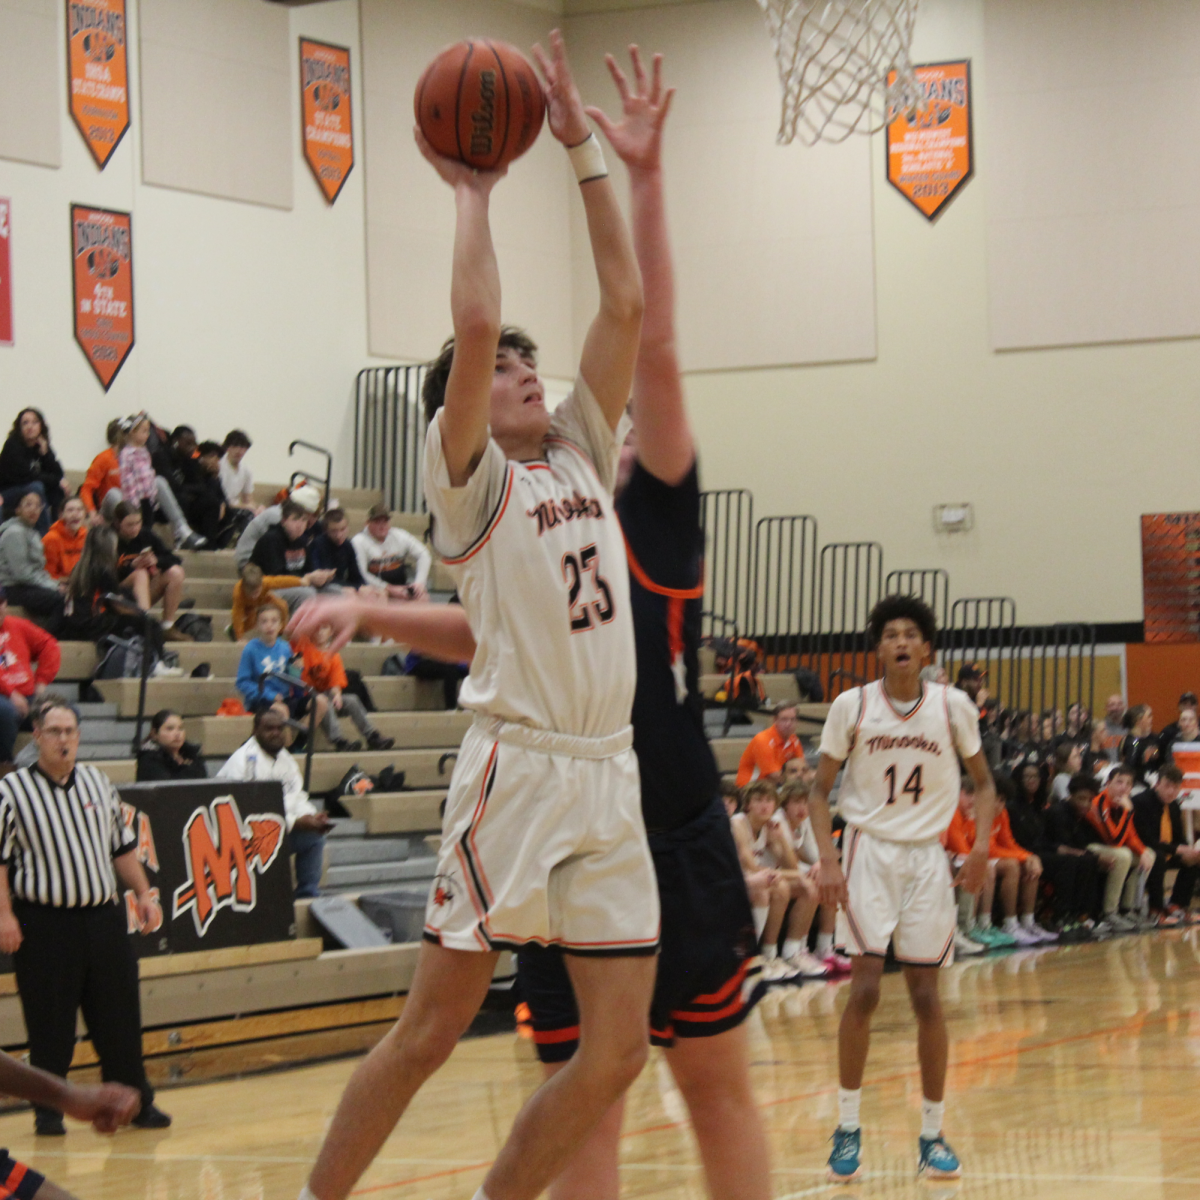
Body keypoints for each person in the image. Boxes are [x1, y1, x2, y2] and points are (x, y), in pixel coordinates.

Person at [290, 44, 774, 1200]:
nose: (520, 368)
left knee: (612, 1057)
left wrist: (575, 142)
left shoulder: (574, 449)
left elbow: (628, 301)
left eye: (526, 360)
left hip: (608, 779)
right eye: (503, 364)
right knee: (428, 1031)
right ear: (459, 403)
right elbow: (471, 325)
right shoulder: (470, 479)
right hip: (515, 776)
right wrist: (472, 192)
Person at [810, 594, 998, 1183]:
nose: (900, 642)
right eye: (890, 633)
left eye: (910, 633)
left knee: (926, 999)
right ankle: (846, 1125)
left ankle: (933, 1132)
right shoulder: (852, 706)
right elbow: (818, 793)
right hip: (868, 851)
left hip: (926, 859)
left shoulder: (953, 705)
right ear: (878, 647)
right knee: (864, 991)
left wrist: (982, 847)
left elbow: (986, 786)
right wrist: (828, 859)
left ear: (927, 649)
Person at [0, 699, 171, 1134]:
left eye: (70, 731)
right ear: (36, 735)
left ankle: (136, 1102)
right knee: (49, 1022)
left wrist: (144, 894)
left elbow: (122, 847)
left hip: (103, 919)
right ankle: (47, 1111)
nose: (64, 740)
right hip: (43, 922)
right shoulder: (11, 791)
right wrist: (4, 916)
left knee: (119, 1015)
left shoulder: (98, 782)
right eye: (55, 731)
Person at [216, 707, 330, 898]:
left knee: (313, 837)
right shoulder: (244, 760)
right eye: (269, 728)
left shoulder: (286, 759)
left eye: (280, 728)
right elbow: (252, 811)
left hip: (272, 831)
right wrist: (296, 822)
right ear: (255, 731)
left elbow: (297, 795)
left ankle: (307, 895)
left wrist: (310, 816)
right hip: (238, 838)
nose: (276, 733)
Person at [732, 779, 826, 981]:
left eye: (768, 800)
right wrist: (797, 875)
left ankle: (790, 952)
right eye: (758, 800)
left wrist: (780, 838)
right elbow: (751, 867)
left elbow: (790, 865)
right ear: (747, 804)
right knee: (776, 887)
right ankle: (755, 956)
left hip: (761, 879)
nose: (765, 805)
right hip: (733, 881)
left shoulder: (770, 826)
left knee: (809, 887)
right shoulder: (738, 823)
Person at [1007, 760, 1094, 937]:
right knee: (1067, 862)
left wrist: (1058, 848)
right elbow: (1015, 840)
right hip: (1021, 853)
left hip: (1040, 852)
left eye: (1036, 776)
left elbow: (1044, 840)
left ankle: (1077, 914)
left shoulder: (1039, 807)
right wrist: (1057, 850)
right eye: (1027, 776)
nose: (1032, 779)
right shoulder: (1012, 807)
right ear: (1018, 779)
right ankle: (1059, 915)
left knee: (1084, 859)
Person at [292, 622, 394, 752]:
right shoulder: (304, 647)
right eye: (316, 628)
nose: (319, 631)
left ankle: (372, 736)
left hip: (324, 694)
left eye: (324, 627)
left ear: (331, 632)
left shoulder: (334, 655)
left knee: (351, 699)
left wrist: (337, 695)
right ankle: (338, 740)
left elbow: (336, 681)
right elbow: (295, 633)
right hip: (305, 696)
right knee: (323, 701)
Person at [116, 413, 206, 551]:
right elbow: (128, 480)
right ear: (132, 433)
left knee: (160, 482)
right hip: (135, 500)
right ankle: (155, 540)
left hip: (148, 499)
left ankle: (182, 531)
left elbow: (149, 476)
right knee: (158, 484)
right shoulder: (127, 454)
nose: (148, 435)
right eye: (144, 431)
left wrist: (153, 500)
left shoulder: (144, 452)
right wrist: (134, 504)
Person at [1085, 764, 1154, 929]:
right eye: (1119, 782)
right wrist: (1128, 812)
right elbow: (1113, 839)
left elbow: (1130, 835)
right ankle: (1110, 912)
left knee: (1148, 854)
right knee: (1123, 855)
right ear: (1108, 784)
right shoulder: (1099, 803)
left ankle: (1128, 909)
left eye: (1128, 783)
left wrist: (1143, 852)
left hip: (1110, 846)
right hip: (1090, 846)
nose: (1124, 787)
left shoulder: (1122, 805)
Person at [1132, 763, 1200, 923]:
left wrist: (1189, 850)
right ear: (1157, 784)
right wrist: (1178, 849)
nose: (1171, 791)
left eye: (1176, 787)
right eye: (1167, 786)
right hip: (1142, 848)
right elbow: (1146, 839)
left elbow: (1178, 837)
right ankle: (1155, 909)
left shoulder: (1174, 805)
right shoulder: (1141, 802)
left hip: (1166, 849)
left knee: (1194, 859)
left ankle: (1177, 905)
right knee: (1158, 857)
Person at [112, 502, 191, 640]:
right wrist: (131, 567)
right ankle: (145, 626)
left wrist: (156, 561)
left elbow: (174, 559)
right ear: (118, 524)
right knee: (140, 573)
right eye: (130, 525)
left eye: (138, 523)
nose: (135, 528)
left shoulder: (145, 535)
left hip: (143, 593)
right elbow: (105, 575)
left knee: (175, 572)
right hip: (118, 596)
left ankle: (167, 626)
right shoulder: (110, 538)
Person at [0, 587, 60, 765]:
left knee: (66, 712)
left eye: (1, 603)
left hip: (26, 695)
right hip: (5, 698)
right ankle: (5, 765)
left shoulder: (17, 625)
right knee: (6, 713)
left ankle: (45, 761)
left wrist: (41, 683)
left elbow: (49, 645)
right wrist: (11, 693)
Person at [0, 491, 65, 633]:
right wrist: (53, 587)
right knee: (59, 599)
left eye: (37, 505)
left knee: (68, 595)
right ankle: (46, 640)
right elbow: (22, 574)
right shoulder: (14, 533)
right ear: (18, 509)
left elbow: (38, 571)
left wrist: (55, 584)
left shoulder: (31, 532)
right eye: (28, 504)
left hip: (27, 586)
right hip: (12, 588)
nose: (33, 509)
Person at [250, 500, 334, 602]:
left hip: (297, 584)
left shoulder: (303, 541)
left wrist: (320, 577)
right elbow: (277, 575)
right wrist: (307, 578)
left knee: (334, 591)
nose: (300, 525)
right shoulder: (271, 539)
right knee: (307, 594)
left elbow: (308, 570)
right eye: (295, 520)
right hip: (265, 589)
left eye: (304, 520)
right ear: (284, 521)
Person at [0, 409, 66, 535]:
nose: (30, 426)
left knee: (58, 490)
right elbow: (27, 476)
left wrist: (46, 454)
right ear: (19, 428)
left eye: (34, 422)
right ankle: (45, 535)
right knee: (36, 487)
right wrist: (57, 480)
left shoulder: (42, 445)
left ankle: (59, 534)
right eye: (25, 423)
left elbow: (58, 473)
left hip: (31, 489)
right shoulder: (12, 445)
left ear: (41, 426)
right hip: (8, 493)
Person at [351, 504, 431, 600]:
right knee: (379, 596)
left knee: (422, 597)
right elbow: (362, 573)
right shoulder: (359, 541)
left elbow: (424, 554)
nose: (382, 526)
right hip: (374, 588)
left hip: (401, 586)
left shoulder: (400, 535)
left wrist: (419, 583)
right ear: (367, 523)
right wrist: (389, 588)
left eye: (385, 521)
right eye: (377, 522)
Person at [234, 483, 321, 571]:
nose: (310, 520)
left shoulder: (288, 516)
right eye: (310, 514)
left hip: (271, 559)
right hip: (249, 562)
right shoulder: (277, 515)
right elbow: (273, 553)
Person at [236, 607, 299, 715]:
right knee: (282, 711)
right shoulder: (250, 649)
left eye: (274, 621)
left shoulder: (285, 647)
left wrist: (296, 669)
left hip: (284, 698)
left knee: (319, 703)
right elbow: (242, 682)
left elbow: (292, 679)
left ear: (280, 626)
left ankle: (302, 732)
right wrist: (269, 694)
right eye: (264, 622)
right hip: (260, 700)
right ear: (257, 626)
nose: (269, 625)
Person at [168, 427, 225, 546]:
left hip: (190, 500)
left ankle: (209, 545)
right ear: (175, 441)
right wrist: (186, 490)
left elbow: (200, 486)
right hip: (170, 502)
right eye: (188, 443)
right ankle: (181, 539)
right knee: (182, 498)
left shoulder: (192, 460)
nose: (192, 448)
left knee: (212, 502)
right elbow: (170, 485)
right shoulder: (164, 456)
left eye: (194, 444)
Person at [734, 701, 802, 786]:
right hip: (750, 788)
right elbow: (775, 776)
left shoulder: (794, 740)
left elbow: (803, 768)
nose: (788, 724)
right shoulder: (762, 739)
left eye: (792, 719)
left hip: (774, 788)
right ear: (775, 720)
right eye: (784, 719)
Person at [136, 709, 207, 782]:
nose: (177, 734)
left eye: (180, 728)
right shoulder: (148, 759)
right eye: (170, 729)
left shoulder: (193, 754)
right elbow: (168, 788)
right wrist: (187, 769)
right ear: (154, 733)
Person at [231, 564, 294, 640]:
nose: (254, 596)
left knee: (282, 605)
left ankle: (280, 632)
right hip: (247, 606)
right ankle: (233, 631)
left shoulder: (266, 582)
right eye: (251, 593)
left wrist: (302, 581)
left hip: (263, 599)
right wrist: (239, 637)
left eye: (256, 592)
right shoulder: (238, 593)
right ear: (244, 588)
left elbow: (283, 581)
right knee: (253, 618)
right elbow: (237, 615)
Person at [310, 505, 366, 589]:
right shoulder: (318, 544)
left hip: (340, 584)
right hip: (321, 586)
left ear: (348, 527)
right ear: (326, 531)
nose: (339, 535)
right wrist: (354, 587)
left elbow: (355, 574)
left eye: (342, 529)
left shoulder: (347, 545)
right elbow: (324, 578)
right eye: (334, 531)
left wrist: (364, 587)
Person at [78, 419, 124, 518]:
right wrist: (92, 512)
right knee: (115, 493)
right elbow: (86, 489)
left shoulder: (136, 457)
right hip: (110, 505)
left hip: (131, 505)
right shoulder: (104, 458)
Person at [42, 497, 87, 581]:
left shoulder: (88, 536)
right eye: (70, 510)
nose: (75, 514)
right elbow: (48, 575)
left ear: (85, 513)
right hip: (59, 586)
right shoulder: (51, 539)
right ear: (61, 515)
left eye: (79, 510)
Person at [1119, 704, 1162, 785]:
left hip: (1154, 782)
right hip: (1138, 785)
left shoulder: (1154, 738)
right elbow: (1130, 768)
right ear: (1138, 720)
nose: (1151, 719)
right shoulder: (1133, 742)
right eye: (1149, 716)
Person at [219, 429, 258, 513]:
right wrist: (245, 506)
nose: (239, 450)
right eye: (235, 446)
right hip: (221, 507)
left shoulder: (246, 470)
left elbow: (248, 498)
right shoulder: (220, 466)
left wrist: (256, 508)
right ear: (227, 447)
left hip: (237, 509)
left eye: (243, 447)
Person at [1157, 692, 1198, 757]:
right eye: (1185, 704)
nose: (1188, 706)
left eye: (1192, 704)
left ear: (1196, 706)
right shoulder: (1169, 731)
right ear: (1179, 706)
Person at [1100, 693, 1125, 762]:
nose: (1116, 708)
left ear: (1124, 707)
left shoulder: (1131, 728)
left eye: (1119, 704)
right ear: (1106, 708)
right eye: (1112, 705)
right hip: (1105, 769)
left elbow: (1136, 745)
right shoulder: (1099, 729)